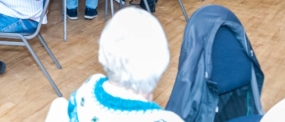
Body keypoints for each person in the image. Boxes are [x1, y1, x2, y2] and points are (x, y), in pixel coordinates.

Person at [45, 8, 184, 122]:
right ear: (161, 63)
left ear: (103, 55)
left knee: (59, 104)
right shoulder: (166, 119)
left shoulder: (90, 85)